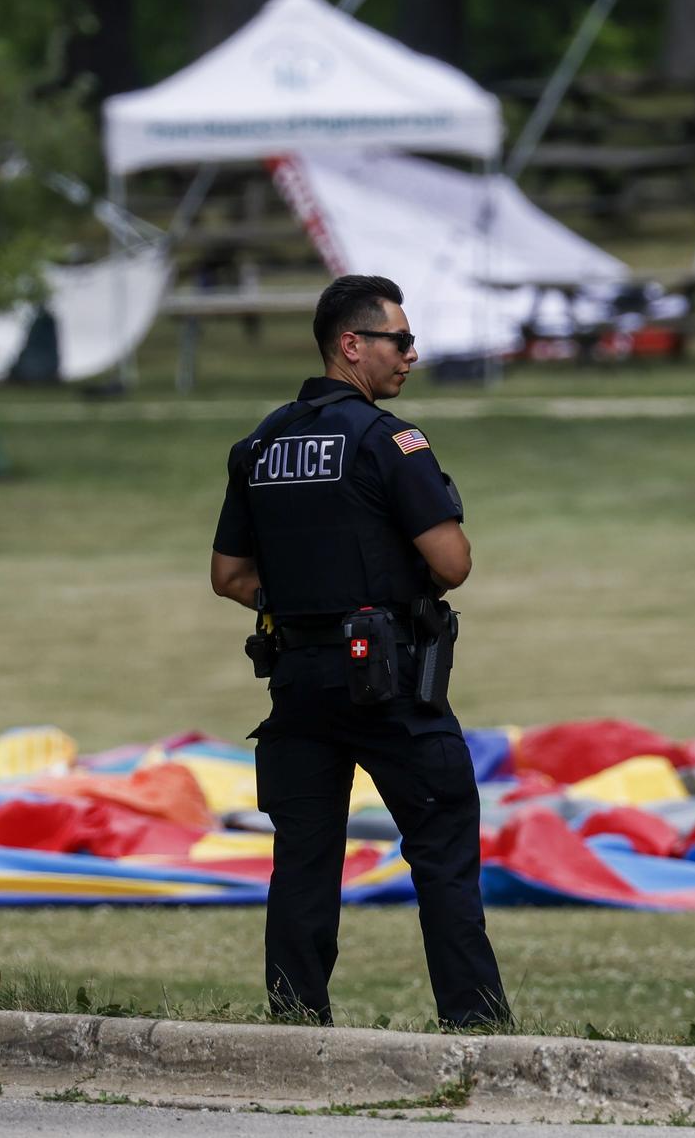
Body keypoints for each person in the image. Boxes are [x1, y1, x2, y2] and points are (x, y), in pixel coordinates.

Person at [209, 273, 508, 1030]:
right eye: (399, 340)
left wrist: (304, 605)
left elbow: (229, 577)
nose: (411, 354)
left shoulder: (262, 444)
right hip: (387, 680)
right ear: (353, 345)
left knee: (304, 860)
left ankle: (296, 1022)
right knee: (441, 842)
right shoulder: (388, 441)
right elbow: (453, 563)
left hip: (299, 682)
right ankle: (474, 1028)